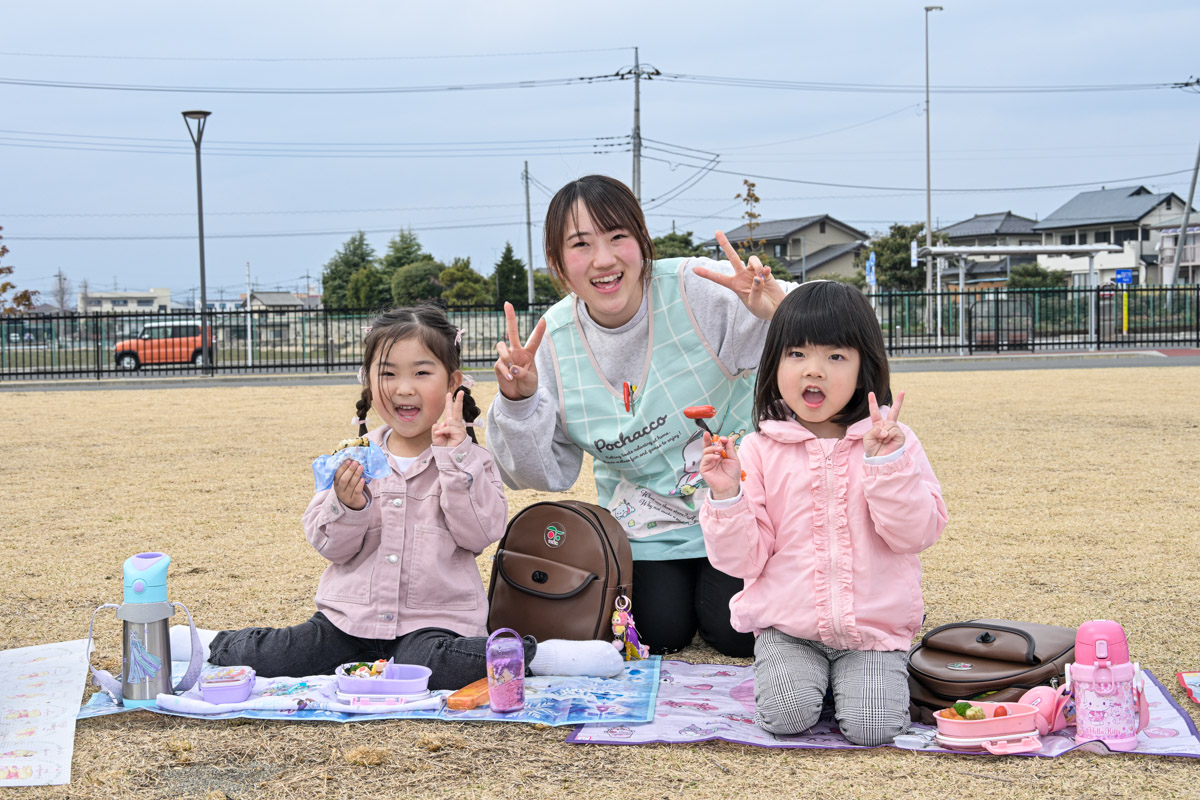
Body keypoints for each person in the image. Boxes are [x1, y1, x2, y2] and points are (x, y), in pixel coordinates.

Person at [172, 304, 622, 690]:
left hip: (435, 626)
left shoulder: (472, 459)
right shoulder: (352, 459)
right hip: (348, 622)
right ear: (368, 381)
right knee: (286, 655)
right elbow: (329, 547)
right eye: (387, 373)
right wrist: (348, 506)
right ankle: (206, 643)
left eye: (422, 373)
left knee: (438, 665)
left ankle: (540, 656)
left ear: (453, 382)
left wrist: (453, 462)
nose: (404, 387)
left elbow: (479, 534)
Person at [486, 174, 793, 657]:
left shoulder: (698, 288)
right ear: (557, 263)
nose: (603, 260)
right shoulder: (553, 342)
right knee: (657, 630)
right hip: (645, 523)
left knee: (737, 632)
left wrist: (778, 309)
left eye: (618, 237)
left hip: (738, 504)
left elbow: (827, 331)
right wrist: (519, 401)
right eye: (581, 244)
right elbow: (540, 474)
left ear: (643, 241)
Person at [697, 281, 948, 745]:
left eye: (835, 356)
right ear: (774, 364)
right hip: (788, 630)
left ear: (864, 367)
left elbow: (915, 535)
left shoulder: (894, 442)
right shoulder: (757, 450)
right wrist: (728, 495)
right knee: (786, 715)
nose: (814, 370)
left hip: (871, 632)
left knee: (873, 728)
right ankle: (810, 680)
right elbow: (742, 561)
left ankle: (852, 684)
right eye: (797, 354)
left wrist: (887, 466)